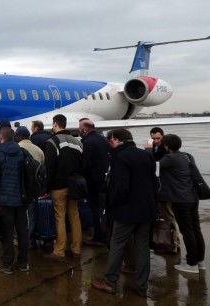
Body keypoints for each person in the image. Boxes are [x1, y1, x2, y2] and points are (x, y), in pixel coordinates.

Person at [92, 128, 159, 298]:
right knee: (143, 248)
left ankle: (109, 282)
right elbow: (155, 183)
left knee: (117, 245)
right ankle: (141, 285)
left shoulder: (121, 157)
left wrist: (112, 204)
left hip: (127, 211)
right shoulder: (146, 155)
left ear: (116, 139)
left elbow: (121, 188)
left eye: (110, 141)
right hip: (147, 210)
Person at [159, 134, 206, 273]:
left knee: (187, 231)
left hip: (180, 200)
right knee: (196, 229)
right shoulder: (187, 156)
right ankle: (200, 261)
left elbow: (153, 167)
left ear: (166, 146)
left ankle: (191, 264)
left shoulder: (169, 158)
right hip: (193, 197)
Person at [43, 114, 84, 262]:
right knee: (75, 217)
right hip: (74, 186)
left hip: (58, 186)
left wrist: (46, 188)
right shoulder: (78, 142)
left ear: (55, 124)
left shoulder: (52, 142)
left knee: (60, 217)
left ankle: (59, 251)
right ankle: (76, 249)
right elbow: (82, 164)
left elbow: (49, 167)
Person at [0, 127, 29, 274]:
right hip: (21, 199)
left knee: (6, 232)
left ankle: (6, 264)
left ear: (1, 138)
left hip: (4, 200)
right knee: (22, 231)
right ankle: (23, 262)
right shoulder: (23, 153)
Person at [146, 126, 180, 253]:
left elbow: (154, 165)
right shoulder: (155, 146)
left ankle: (174, 243)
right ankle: (167, 241)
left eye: (158, 138)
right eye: (153, 138)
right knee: (162, 216)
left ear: (163, 137)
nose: (155, 140)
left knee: (169, 216)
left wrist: (148, 151)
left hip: (165, 188)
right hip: (159, 187)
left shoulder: (167, 150)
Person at [79, 119, 110, 247]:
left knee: (95, 210)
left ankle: (98, 237)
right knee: (103, 210)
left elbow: (86, 164)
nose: (79, 130)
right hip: (105, 181)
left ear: (84, 129)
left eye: (80, 127)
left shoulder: (88, 142)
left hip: (93, 183)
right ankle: (105, 234)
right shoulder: (102, 139)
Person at [14, 126, 44, 249]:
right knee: (32, 215)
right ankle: (31, 239)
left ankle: (19, 239)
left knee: (20, 215)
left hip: (20, 188)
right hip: (34, 188)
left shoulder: (17, 148)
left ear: (19, 137)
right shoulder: (38, 150)